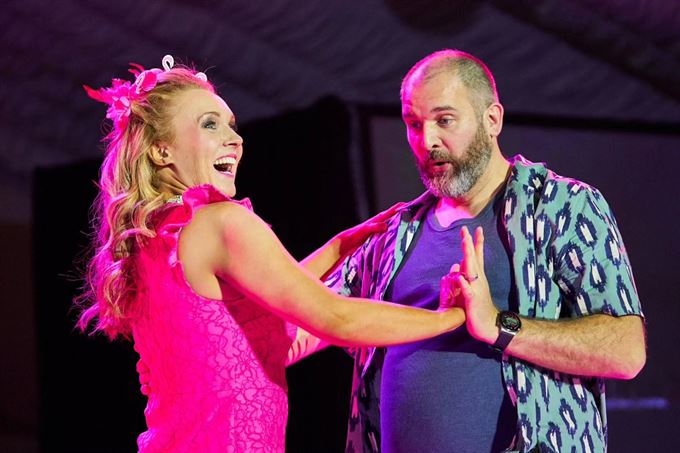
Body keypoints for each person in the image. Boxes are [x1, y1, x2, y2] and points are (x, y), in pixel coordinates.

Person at [76, 55, 467, 453]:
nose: (235, 139)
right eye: (210, 124)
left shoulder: (153, 240)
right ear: (162, 152)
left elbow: (254, 333)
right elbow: (336, 318)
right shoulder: (220, 222)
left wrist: (338, 249)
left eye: (231, 125)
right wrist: (452, 317)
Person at [324, 50, 646, 452]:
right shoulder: (392, 234)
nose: (427, 141)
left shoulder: (562, 206)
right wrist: (329, 250)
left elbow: (626, 351)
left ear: (492, 120)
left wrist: (498, 325)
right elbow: (303, 319)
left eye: (444, 120)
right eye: (413, 124)